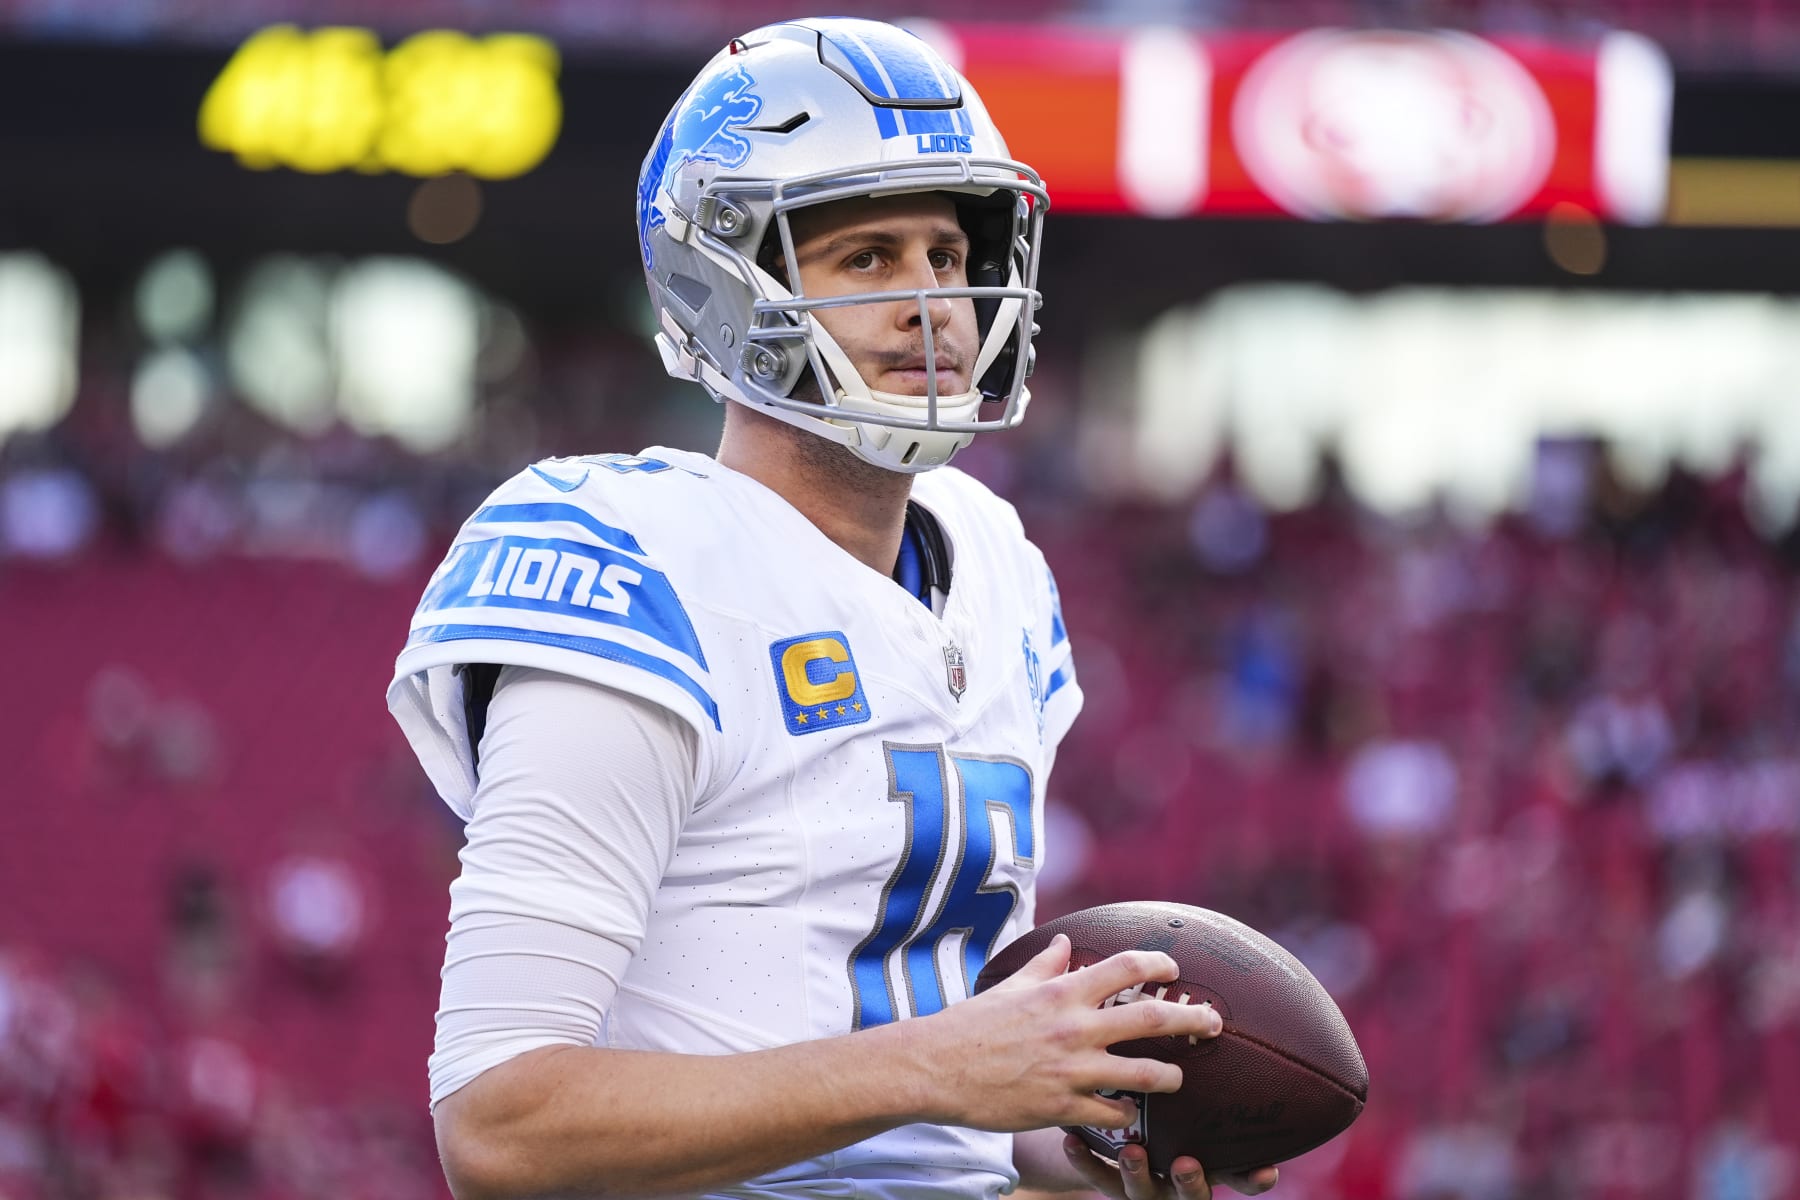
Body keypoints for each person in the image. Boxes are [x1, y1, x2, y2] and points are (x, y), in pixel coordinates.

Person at [387, 17, 1281, 1200]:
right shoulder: (639, 561)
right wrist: (934, 1069)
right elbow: (503, 1129)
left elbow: (923, 1083)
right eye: (867, 259)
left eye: (950, 254)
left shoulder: (996, 560)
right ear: (723, 283)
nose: (936, 303)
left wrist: (1070, 1149)